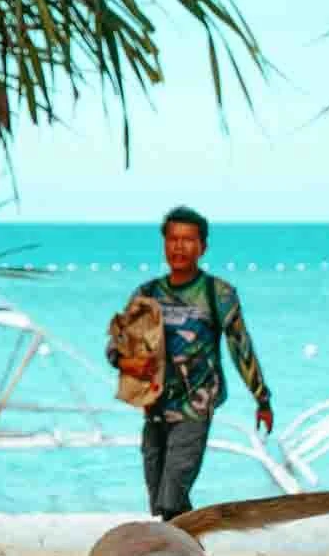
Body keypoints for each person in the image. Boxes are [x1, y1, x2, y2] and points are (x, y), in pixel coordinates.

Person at [106, 206, 273, 520]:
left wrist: (262, 398)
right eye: (172, 239)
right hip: (153, 407)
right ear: (164, 244)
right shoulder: (147, 293)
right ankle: (192, 554)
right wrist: (129, 365)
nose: (179, 247)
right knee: (162, 501)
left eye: (188, 240)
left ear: (202, 247)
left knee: (172, 494)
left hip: (195, 407)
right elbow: (115, 346)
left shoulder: (218, 293)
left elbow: (241, 348)